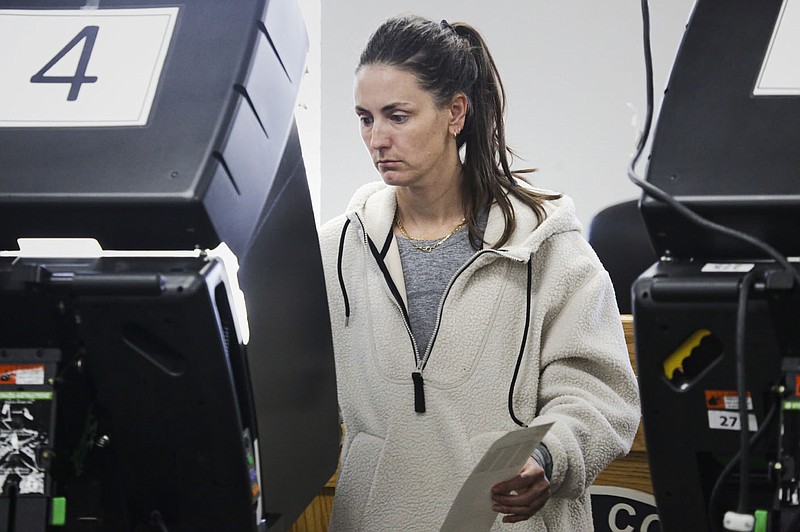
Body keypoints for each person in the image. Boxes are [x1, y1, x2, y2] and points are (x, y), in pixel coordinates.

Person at [318, 14, 640, 531]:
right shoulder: (337, 250)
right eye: (364, 117)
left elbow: (598, 393)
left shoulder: (547, 247)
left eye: (397, 116)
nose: (376, 139)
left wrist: (551, 455)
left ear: (455, 112)